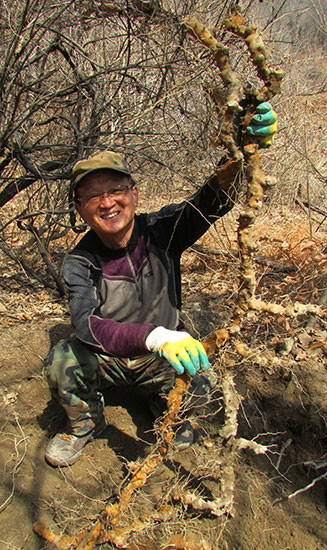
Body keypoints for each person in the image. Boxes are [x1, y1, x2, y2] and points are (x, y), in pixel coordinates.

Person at [44, 103, 277, 467]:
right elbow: (85, 324)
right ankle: (85, 424)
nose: (107, 202)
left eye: (116, 189)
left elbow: (213, 201)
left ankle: (165, 406)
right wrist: (154, 335)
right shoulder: (79, 260)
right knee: (62, 360)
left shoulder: (164, 230)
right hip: (113, 358)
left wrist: (243, 151)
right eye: (93, 196)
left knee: (203, 377)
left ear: (134, 193)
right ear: (80, 208)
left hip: (162, 359)